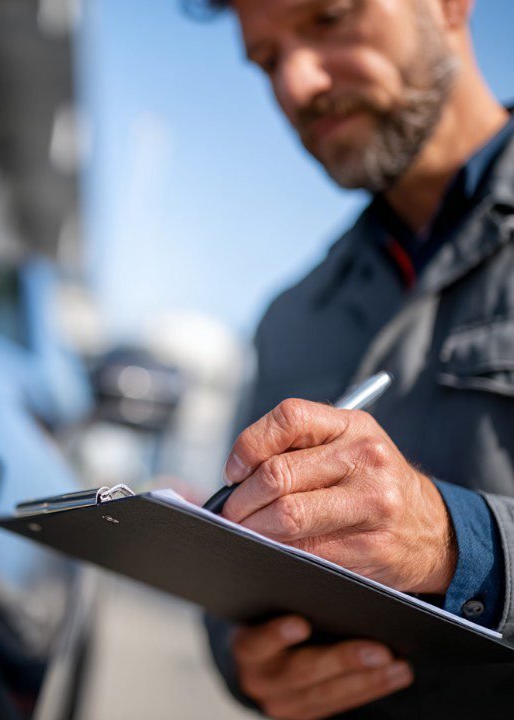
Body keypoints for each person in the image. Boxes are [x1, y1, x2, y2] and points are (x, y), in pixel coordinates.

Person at [191, 1, 514, 718]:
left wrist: (455, 542)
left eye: (330, 18)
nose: (297, 85)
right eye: (268, 60)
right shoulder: (290, 317)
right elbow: (239, 562)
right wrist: (246, 661)